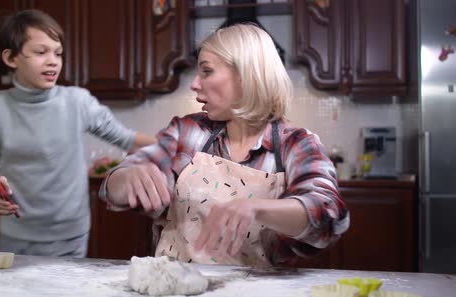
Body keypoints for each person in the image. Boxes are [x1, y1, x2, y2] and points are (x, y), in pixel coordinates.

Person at [101, 24, 349, 266]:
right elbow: (113, 186)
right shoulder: (187, 131)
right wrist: (126, 178)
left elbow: (328, 215)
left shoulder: (296, 144)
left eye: (206, 71)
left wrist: (258, 208)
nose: (194, 84)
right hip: (174, 293)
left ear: (246, 76)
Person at [0, 9, 156, 257]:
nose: (53, 61)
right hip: (15, 235)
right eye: (41, 52)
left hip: (71, 235)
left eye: (58, 53)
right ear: (11, 58)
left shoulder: (77, 101)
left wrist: (182, 145)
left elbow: (127, 139)